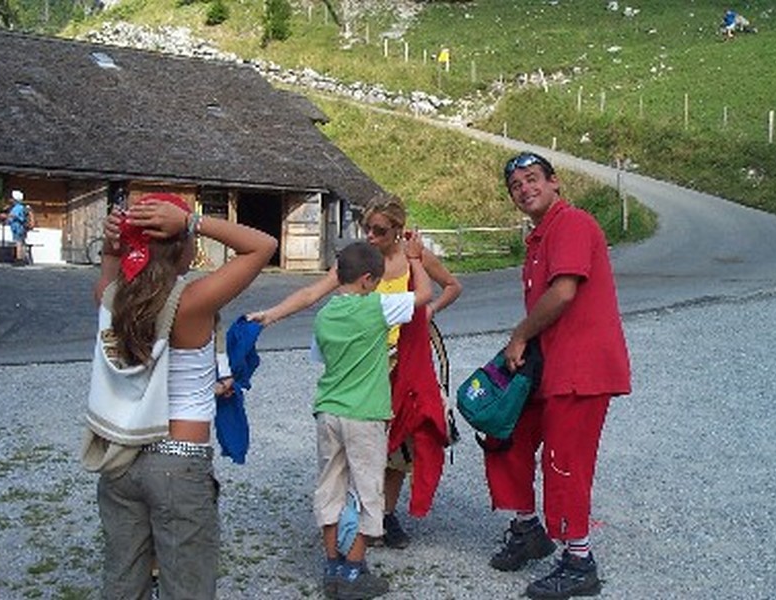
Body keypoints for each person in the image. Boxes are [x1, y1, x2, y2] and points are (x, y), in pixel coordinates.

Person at [82, 192, 277, 599]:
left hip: (121, 457)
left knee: (122, 579)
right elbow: (263, 245)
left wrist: (113, 248)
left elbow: (108, 276)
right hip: (178, 460)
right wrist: (192, 221)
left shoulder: (112, 297)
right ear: (180, 244)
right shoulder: (191, 302)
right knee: (187, 585)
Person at [248, 193, 461, 548]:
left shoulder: (416, 257)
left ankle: (385, 514)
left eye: (379, 230)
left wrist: (431, 310)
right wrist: (270, 315)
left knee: (401, 443)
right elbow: (311, 294)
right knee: (365, 441)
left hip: (405, 360)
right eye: (367, 229)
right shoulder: (359, 259)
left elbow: (453, 286)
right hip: (367, 362)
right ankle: (360, 517)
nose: (371, 237)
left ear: (398, 229)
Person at [485, 152, 630, 600]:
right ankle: (529, 528)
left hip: (581, 367)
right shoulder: (539, 237)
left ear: (555, 182)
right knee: (504, 434)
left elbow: (564, 291)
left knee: (565, 460)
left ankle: (579, 561)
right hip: (547, 363)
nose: (525, 189)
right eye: (516, 185)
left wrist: (519, 335)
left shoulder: (571, 224)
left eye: (533, 179)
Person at [312, 239, 432, 599]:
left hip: (328, 410)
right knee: (367, 490)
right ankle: (353, 571)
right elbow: (424, 295)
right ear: (366, 279)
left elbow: (321, 358)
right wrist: (415, 259)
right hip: (364, 414)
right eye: (376, 281)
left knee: (330, 487)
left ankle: (332, 567)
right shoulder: (377, 305)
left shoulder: (324, 315)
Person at [6, 189, 31, 265]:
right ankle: (22, 258)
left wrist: (11, 216)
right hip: (18, 228)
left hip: (18, 228)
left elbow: (20, 217)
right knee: (21, 242)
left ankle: (19, 259)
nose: (11, 200)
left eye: (13, 198)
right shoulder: (18, 207)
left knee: (19, 243)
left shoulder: (18, 208)